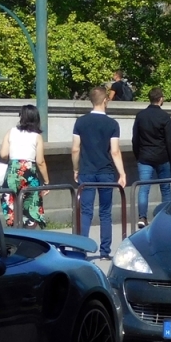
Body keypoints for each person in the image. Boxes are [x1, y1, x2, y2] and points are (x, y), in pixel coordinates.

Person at [72, 86, 127, 259]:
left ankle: (81, 249)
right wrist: (122, 173)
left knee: (85, 211)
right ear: (105, 100)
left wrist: (75, 168)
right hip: (106, 172)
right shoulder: (112, 124)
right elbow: (115, 151)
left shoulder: (80, 122)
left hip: (86, 171)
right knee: (105, 212)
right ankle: (105, 252)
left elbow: (75, 149)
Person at [131, 86, 171, 229]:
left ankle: (142, 217)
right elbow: (170, 141)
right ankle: (166, 217)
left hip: (145, 158)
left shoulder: (140, 116)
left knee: (144, 188)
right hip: (162, 157)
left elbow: (135, 139)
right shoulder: (164, 117)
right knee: (166, 189)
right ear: (160, 99)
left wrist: (138, 156)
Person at [0, 105, 49, 228]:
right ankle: (28, 231)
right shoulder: (37, 137)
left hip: (12, 173)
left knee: (11, 206)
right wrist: (47, 182)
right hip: (29, 174)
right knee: (32, 206)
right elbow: (40, 161)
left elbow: (4, 154)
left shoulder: (11, 132)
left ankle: (15, 232)